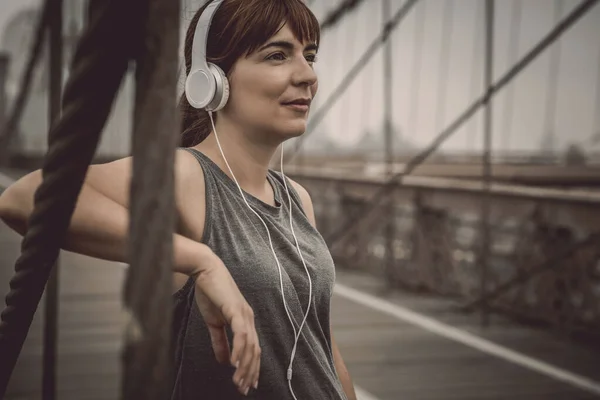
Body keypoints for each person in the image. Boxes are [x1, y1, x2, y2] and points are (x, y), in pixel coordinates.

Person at [0, 0, 357, 399]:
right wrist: (201, 262)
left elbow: (320, 346)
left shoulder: (296, 199)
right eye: (277, 55)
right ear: (212, 79)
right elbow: (23, 197)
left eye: (310, 56)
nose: (308, 75)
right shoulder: (188, 177)